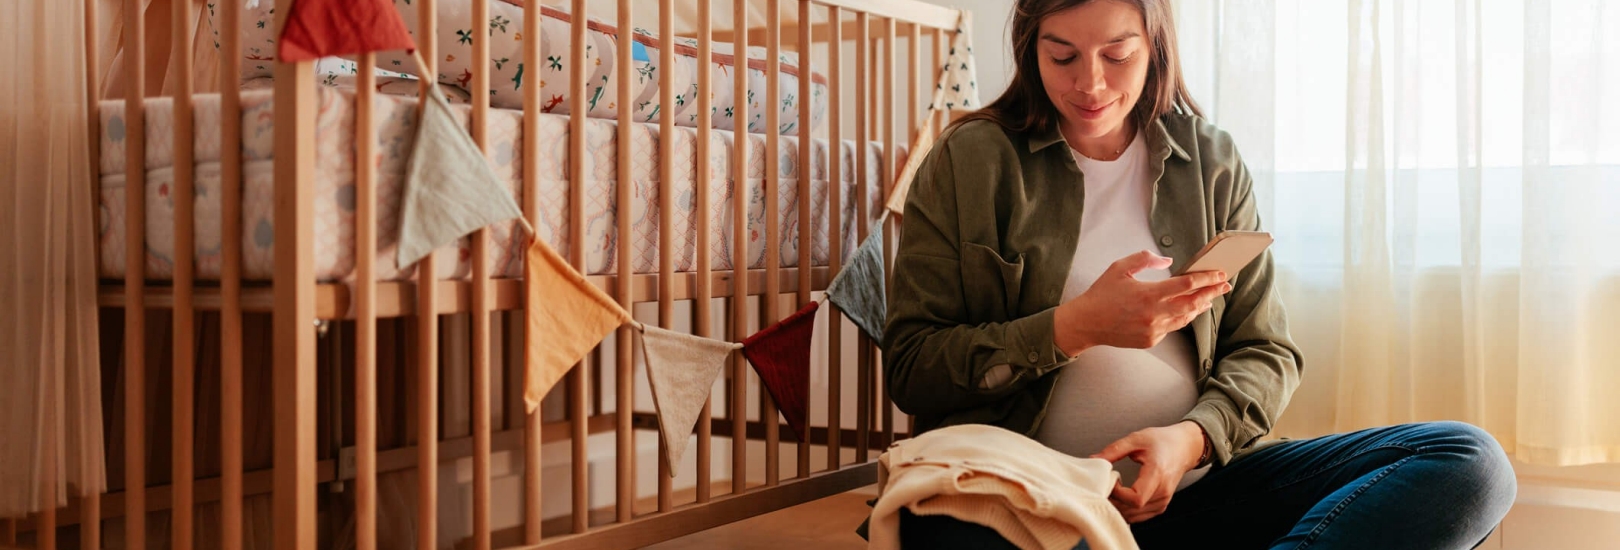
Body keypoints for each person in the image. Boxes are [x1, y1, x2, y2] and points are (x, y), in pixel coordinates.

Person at [880, 0, 1516, 548]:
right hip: (1029, 498)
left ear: (1155, 46)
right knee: (936, 521)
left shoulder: (1210, 161)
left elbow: (1265, 350)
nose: (1091, 84)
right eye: (1062, 56)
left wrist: (1191, 441)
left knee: (1469, 462)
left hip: (1199, 495)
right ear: (1029, 49)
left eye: (1118, 55)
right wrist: (1073, 328)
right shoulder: (969, 160)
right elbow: (913, 368)